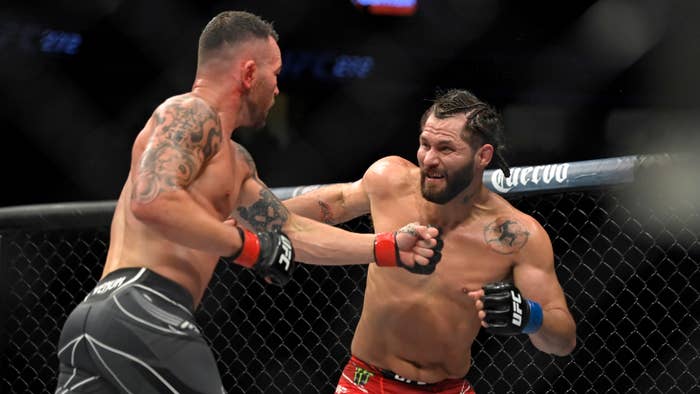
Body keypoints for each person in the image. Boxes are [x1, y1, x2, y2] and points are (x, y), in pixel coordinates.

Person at [54, 11, 442, 394]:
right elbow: (152, 200)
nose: (277, 88)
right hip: (144, 306)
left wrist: (386, 247)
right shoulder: (188, 112)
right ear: (249, 72)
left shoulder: (235, 162)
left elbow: (289, 230)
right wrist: (246, 247)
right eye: (275, 73)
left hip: (97, 319)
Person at [285, 89, 577, 393]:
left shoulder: (517, 235)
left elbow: (563, 340)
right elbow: (323, 206)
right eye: (425, 144)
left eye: (446, 149)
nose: (429, 160)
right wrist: (244, 214)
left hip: (450, 388)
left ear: (483, 156)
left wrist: (530, 316)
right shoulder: (391, 180)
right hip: (369, 381)